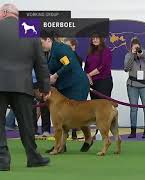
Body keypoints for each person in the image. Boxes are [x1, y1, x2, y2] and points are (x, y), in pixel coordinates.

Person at [0, 3, 51, 171]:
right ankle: (33, 156)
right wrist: (45, 88)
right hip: (23, 84)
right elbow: (41, 63)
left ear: (4, 13)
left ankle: (2, 161)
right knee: (27, 123)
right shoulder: (29, 29)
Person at [40, 34, 90, 140]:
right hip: (65, 86)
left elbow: (68, 64)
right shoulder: (49, 52)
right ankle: (60, 145)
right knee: (63, 117)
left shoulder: (59, 49)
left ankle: (88, 139)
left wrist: (55, 75)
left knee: (79, 115)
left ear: (48, 40)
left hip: (76, 85)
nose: (40, 45)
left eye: (41, 43)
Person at [124, 38, 145, 138]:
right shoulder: (128, 55)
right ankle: (133, 131)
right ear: (131, 47)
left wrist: (143, 55)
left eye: (138, 47)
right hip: (132, 85)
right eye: (134, 47)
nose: (136, 49)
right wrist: (132, 56)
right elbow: (126, 68)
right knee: (133, 109)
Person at [85, 34, 113, 99]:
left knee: (102, 106)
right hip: (92, 82)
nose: (95, 40)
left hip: (103, 82)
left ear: (101, 39)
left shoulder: (106, 50)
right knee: (94, 105)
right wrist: (88, 76)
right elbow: (86, 67)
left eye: (97, 38)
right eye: (93, 39)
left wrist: (89, 75)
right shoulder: (90, 52)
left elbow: (102, 66)